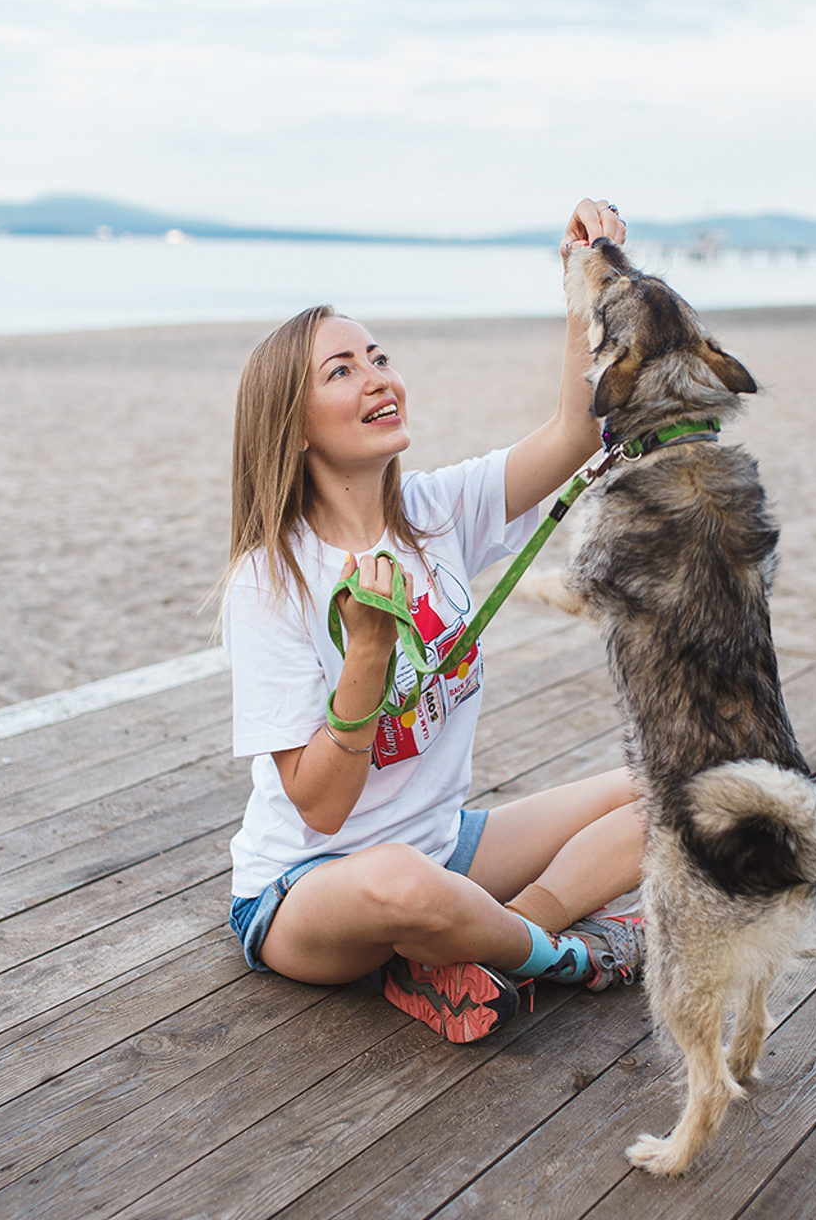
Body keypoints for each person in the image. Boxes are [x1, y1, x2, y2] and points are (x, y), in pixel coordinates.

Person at [222, 198, 645, 1043]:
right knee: (397, 885)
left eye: (378, 357)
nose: (379, 376)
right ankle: (558, 957)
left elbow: (573, 432)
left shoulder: (438, 511)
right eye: (341, 371)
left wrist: (583, 284)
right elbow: (323, 813)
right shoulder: (270, 580)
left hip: (448, 845)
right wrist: (367, 659)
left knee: (677, 781)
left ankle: (479, 944)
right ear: (292, 428)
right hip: (310, 890)